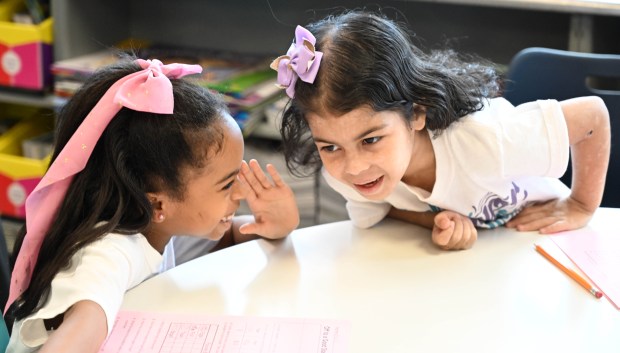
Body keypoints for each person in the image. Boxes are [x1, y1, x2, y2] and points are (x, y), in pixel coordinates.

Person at [5, 56, 300, 353]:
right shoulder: (108, 255)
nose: (239, 193)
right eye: (226, 184)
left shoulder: (156, 223)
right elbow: (79, 330)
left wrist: (275, 224)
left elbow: (232, 235)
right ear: (158, 204)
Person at [272, 10, 610, 251]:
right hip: (492, 261)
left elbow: (593, 117)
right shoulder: (345, 176)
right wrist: (438, 222)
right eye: (330, 147)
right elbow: (384, 210)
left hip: (556, 242)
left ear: (416, 112)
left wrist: (581, 203)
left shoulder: (484, 140)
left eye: (371, 139)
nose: (354, 167)